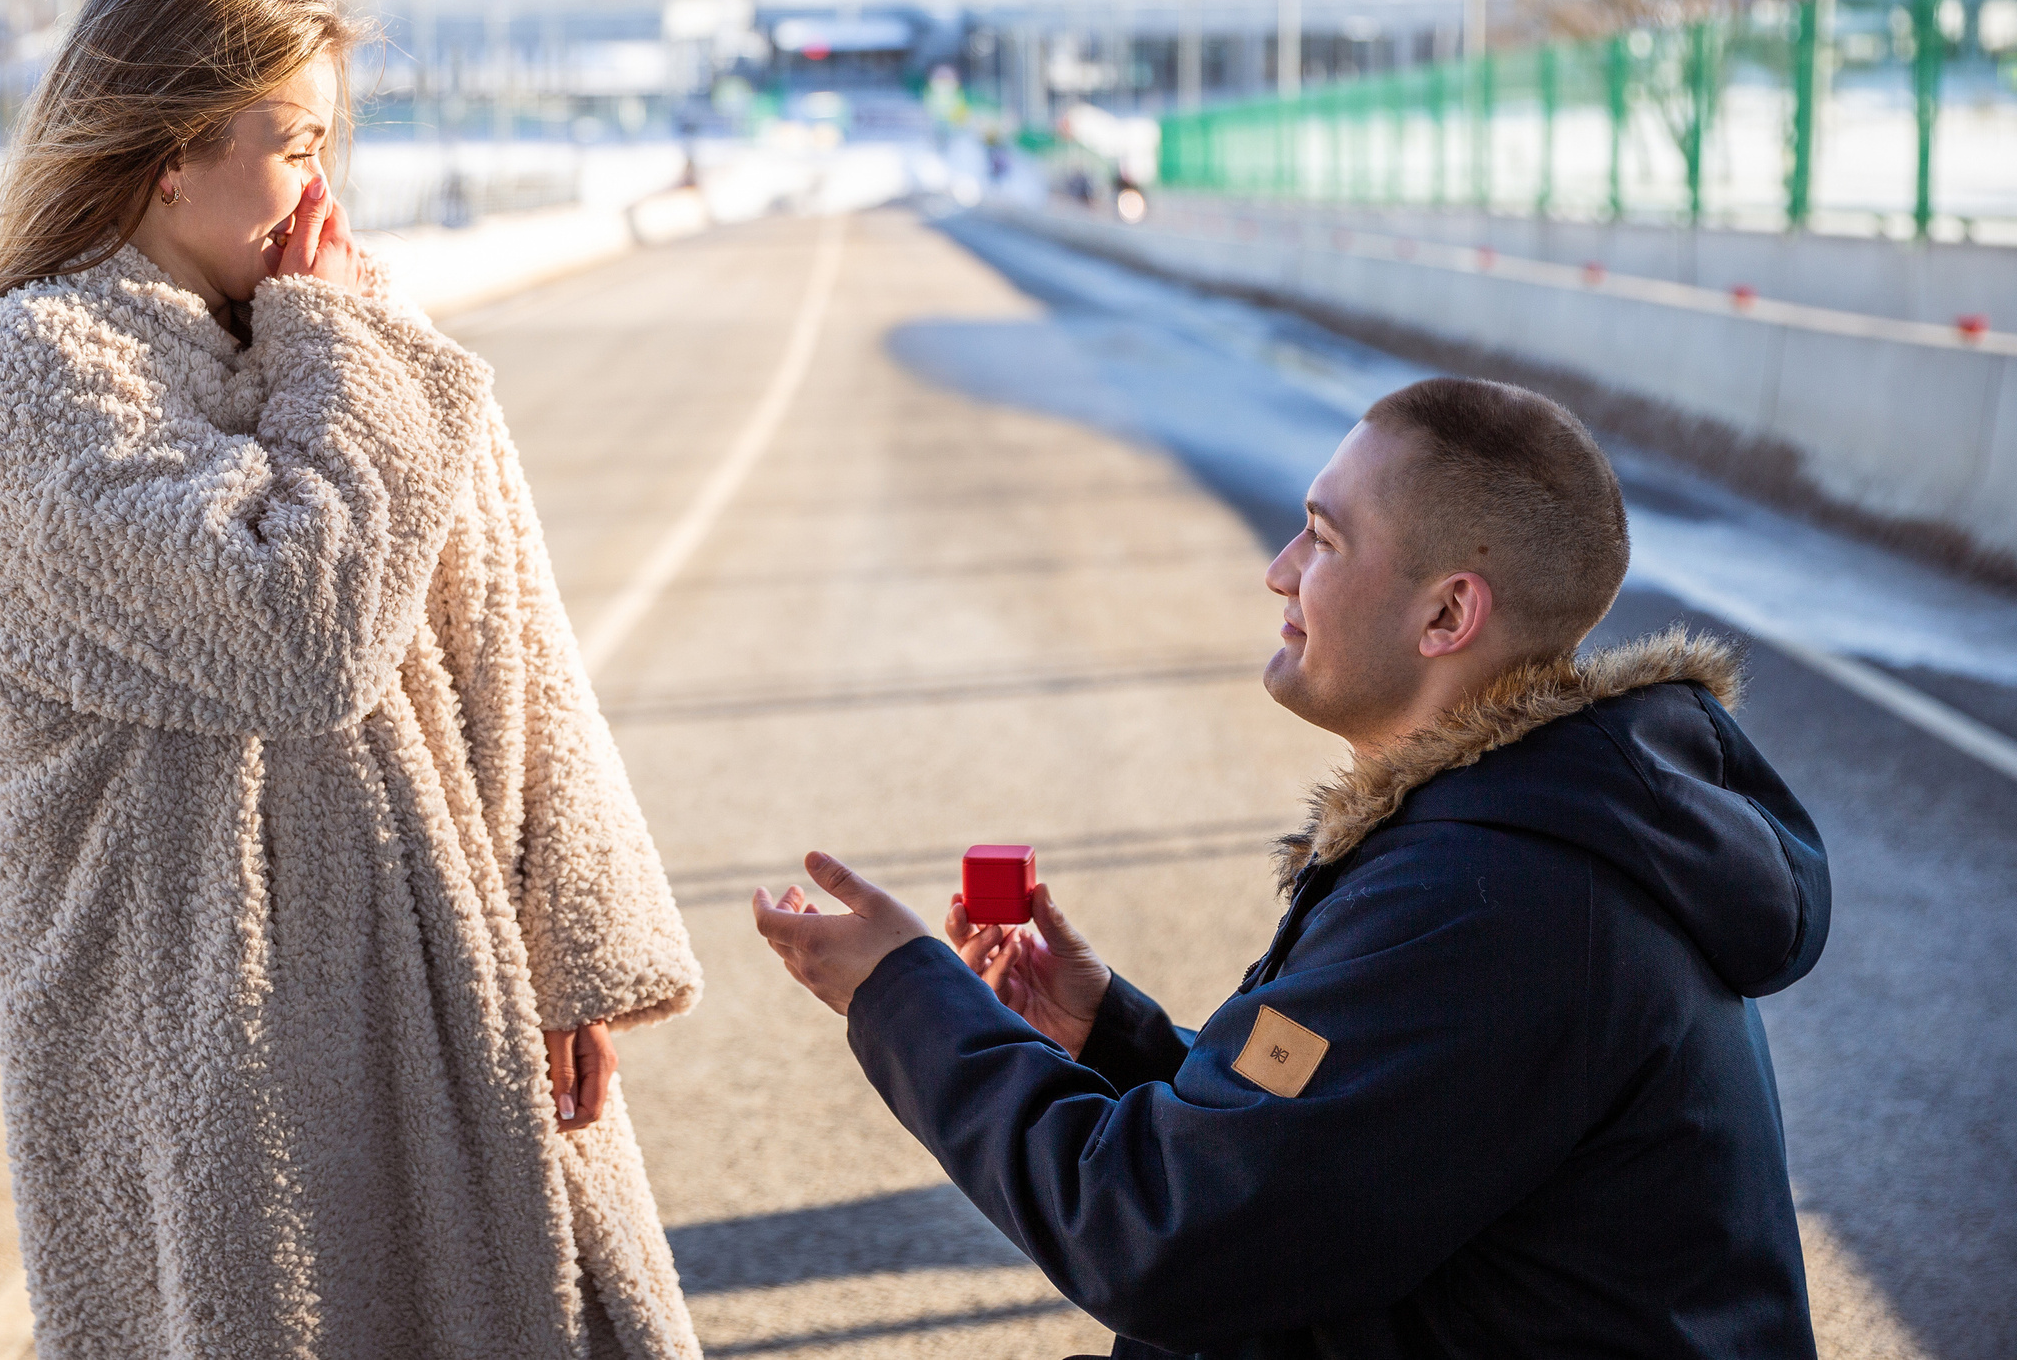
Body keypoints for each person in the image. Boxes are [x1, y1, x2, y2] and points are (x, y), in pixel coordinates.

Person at [0, 0, 705, 1360]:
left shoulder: (348, 329)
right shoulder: (40, 370)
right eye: (294, 146)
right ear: (170, 152)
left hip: (449, 978)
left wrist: (572, 948)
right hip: (211, 1034)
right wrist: (332, 348)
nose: (322, 192)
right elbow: (301, 632)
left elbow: (511, 635)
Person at [753, 377, 1829, 1358]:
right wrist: (1113, 1036)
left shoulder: (1492, 900)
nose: (1279, 569)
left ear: (1448, 613)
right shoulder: (1523, 831)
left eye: (1321, 537)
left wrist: (902, 993)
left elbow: (1162, 1236)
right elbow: (1338, 1146)